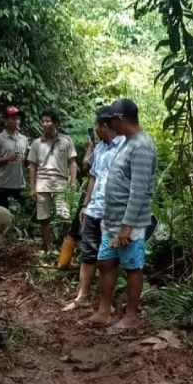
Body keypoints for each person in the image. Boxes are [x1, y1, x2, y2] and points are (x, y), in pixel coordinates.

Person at [92, 98, 157, 331]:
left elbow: (139, 191)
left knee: (132, 267)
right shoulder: (125, 142)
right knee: (105, 262)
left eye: (111, 121)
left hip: (129, 223)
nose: (109, 126)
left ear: (120, 119)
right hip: (112, 220)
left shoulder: (142, 146)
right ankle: (104, 310)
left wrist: (127, 227)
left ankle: (130, 316)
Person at [63, 107, 124, 312]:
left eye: (97, 125)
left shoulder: (124, 146)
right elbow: (93, 177)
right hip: (94, 209)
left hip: (113, 211)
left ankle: (106, 301)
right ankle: (82, 295)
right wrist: (86, 204)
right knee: (88, 253)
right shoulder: (99, 149)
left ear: (105, 125)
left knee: (109, 258)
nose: (96, 129)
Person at [27, 109, 78, 252]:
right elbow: (32, 166)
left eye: (48, 121)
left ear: (56, 123)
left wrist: (72, 183)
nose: (45, 124)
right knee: (44, 218)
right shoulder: (37, 143)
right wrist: (32, 187)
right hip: (42, 184)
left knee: (64, 216)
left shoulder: (66, 141)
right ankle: (49, 247)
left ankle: (65, 247)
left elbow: (73, 163)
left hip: (60, 183)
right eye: (43, 121)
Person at [0, 106, 27, 209]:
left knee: (20, 217)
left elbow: (25, 161)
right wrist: (7, 159)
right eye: (13, 119)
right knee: (3, 218)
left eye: (18, 119)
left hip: (19, 185)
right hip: (1, 186)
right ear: (5, 120)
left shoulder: (24, 139)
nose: (16, 121)